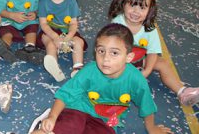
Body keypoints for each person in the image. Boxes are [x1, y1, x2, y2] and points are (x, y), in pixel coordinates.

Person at [30, 23, 172, 134]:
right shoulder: (90, 70)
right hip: (78, 109)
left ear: (129, 57)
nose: (105, 59)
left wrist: (151, 128)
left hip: (106, 121)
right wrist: (53, 117)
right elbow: (66, 94)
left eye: (114, 53)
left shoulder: (136, 80)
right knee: (53, 130)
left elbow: (146, 105)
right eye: (101, 51)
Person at [109, 0, 199, 106]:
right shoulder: (117, 23)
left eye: (142, 7)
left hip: (139, 60)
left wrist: (147, 71)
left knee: (163, 64)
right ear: (123, 4)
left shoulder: (149, 28)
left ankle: (182, 92)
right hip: (120, 61)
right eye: (132, 5)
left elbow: (152, 52)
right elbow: (111, 49)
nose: (136, 11)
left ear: (149, 11)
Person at [37, 0, 86, 82]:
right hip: (49, 30)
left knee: (79, 42)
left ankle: (78, 67)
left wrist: (69, 37)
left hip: (66, 30)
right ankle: (54, 66)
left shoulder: (70, 1)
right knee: (50, 44)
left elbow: (73, 24)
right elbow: (43, 24)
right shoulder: (43, 1)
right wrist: (54, 37)